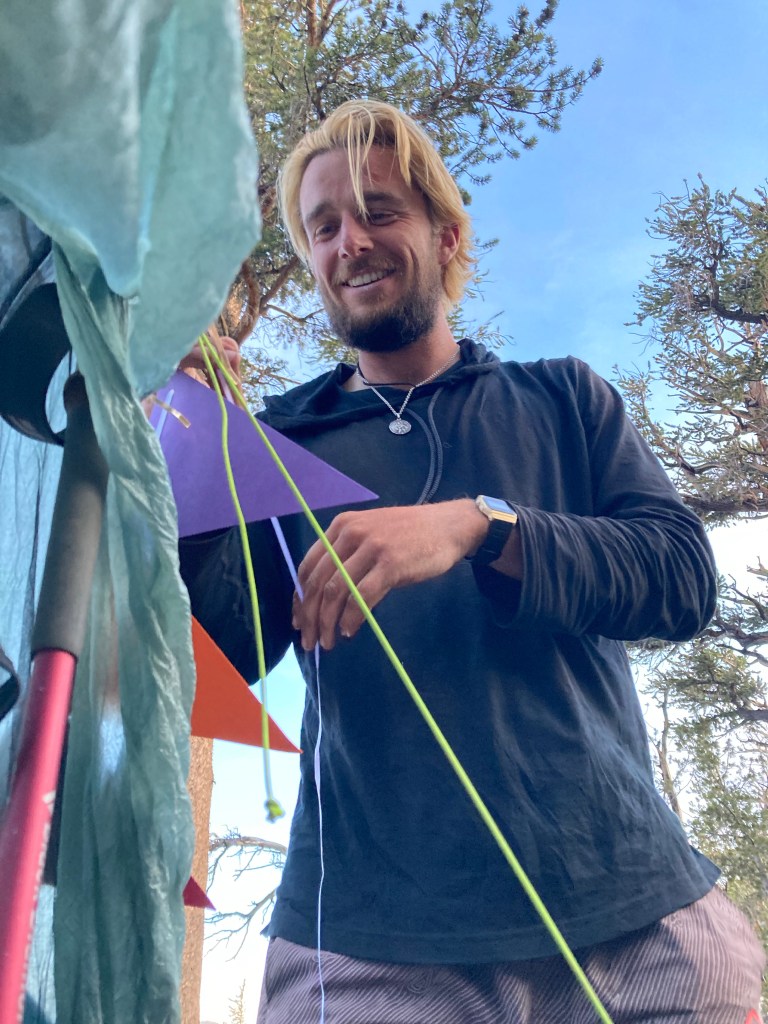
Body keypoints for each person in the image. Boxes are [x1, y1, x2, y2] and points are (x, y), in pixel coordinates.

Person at [180, 101, 765, 1023]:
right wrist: (182, 458)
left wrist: (478, 526)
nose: (349, 242)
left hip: (636, 923)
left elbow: (682, 578)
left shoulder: (565, 399)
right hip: (371, 952)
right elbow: (220, 648)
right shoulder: (275, 440)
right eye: (322, 227)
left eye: (378, 211)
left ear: (446, 236)